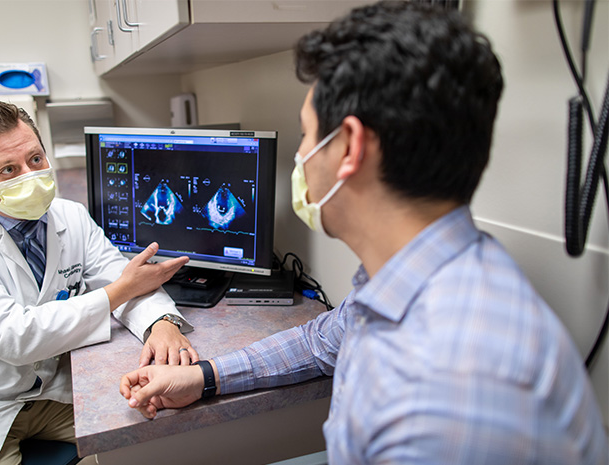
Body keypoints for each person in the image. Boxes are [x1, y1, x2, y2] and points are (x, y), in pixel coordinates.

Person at [119, 2, 609, 463]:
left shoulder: (453, 385)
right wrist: (202, 376)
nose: (301, 156)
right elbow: (318, 341)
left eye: (307, 135)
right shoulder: (414, 270)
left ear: (349, 146)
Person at [0, 99, 198, 465]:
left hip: (52, 390)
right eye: (8, 169)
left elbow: (122, 277)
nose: (30, 175)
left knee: (159, 428)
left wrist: (161, 323)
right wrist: (119, 291)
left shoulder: (70, 216)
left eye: (36, 159)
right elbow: (14, 336)